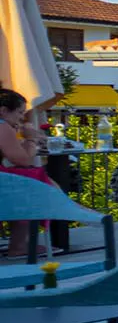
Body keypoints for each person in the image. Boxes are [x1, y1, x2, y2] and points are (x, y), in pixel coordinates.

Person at [1, 86, 56, 256]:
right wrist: (32, 138)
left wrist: (27, 141)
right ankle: (18, 245)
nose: (21, 117)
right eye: (19, 112)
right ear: (3, 110)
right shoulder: (3, 127)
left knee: (25, 181)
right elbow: (24, 160)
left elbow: (18, 156)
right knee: (31, 184)